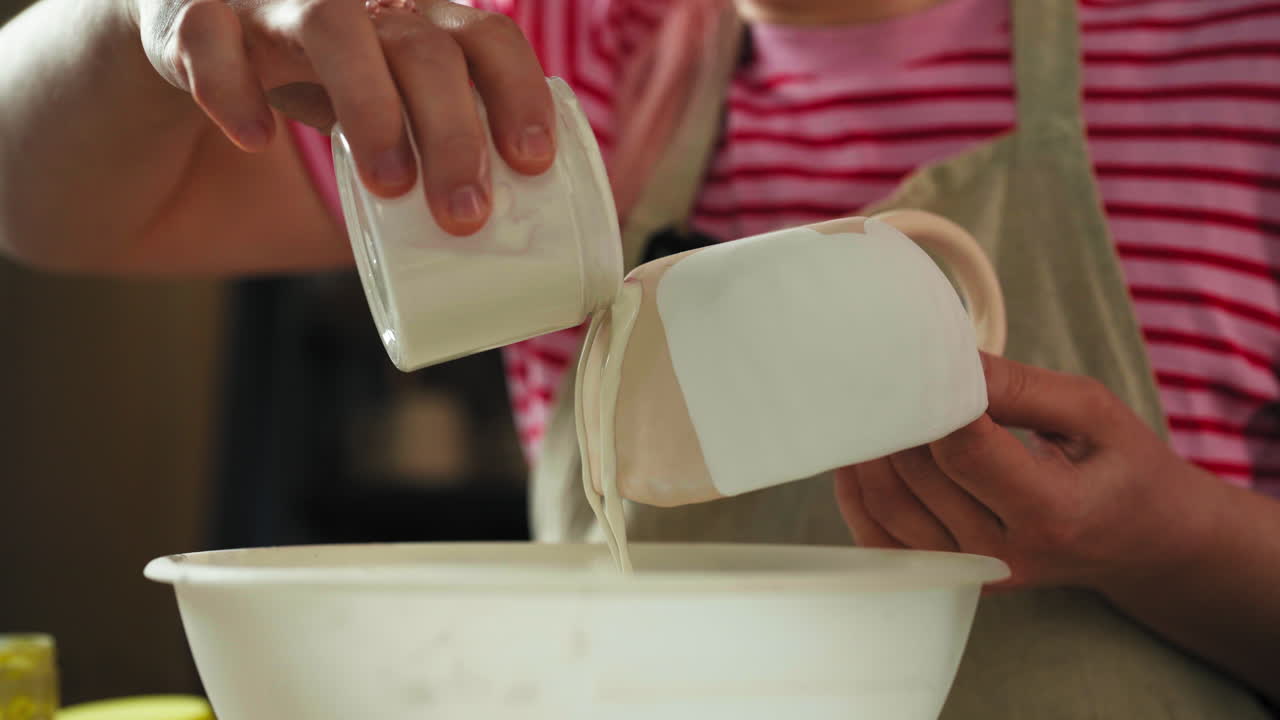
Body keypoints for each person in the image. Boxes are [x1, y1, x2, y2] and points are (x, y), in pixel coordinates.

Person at [1, 0, 1278, 715]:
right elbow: (44, 214)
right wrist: (138, 20)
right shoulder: (545, 64)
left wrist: (1162, 541)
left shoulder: (1232, 54)